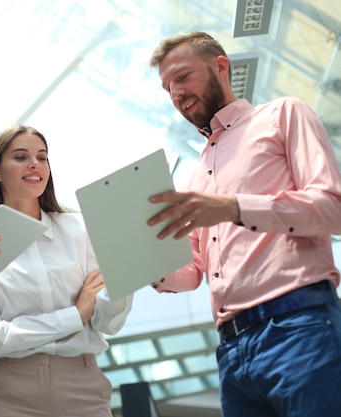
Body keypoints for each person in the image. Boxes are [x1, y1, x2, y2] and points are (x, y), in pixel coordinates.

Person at [147, 31, 341, 416]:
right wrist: (144, 264)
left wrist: (233, 207)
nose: (176, 94)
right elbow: (194, 272)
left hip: (299, 325)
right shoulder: (196, 176)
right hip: (232, 353)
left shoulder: (283, 114)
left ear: (221, 67)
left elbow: (331, 208)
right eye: (168, 87)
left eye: (183, 77)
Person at [0, 124, 133, 417]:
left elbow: (107, 323)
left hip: (83, 388)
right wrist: (73, 316)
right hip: (8, 392)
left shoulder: (80, 229)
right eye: (21, 157)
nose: (35, 164)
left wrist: (126, 273)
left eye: (42, 157)